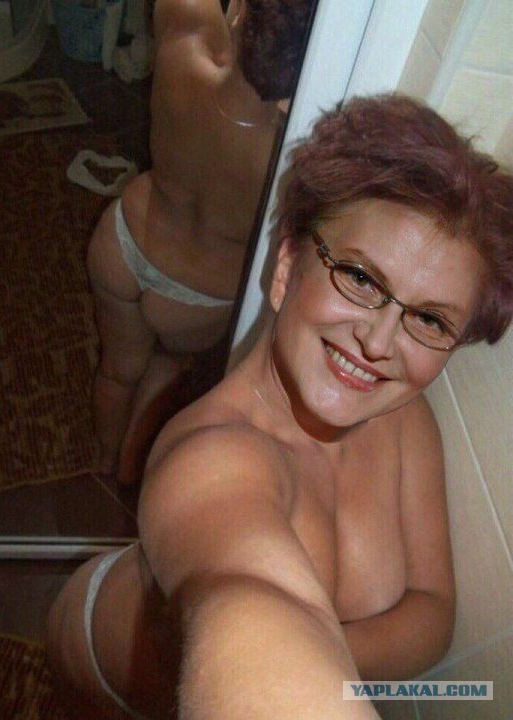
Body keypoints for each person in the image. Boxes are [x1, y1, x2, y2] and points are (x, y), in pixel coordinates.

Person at [47, 94, 513, 719]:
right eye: (360, 278)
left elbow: (433, 610)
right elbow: (250, 603)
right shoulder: (212, 460)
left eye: (429, 319)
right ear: (288, 267)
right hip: (103, 665)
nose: (379, 343)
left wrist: (320, 655)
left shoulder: (405, 421)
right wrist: (302, 659)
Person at [88, 0, 314, 485]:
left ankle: (105, 459)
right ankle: (128, 471)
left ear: (241, 15)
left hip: (123, 241)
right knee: (164, 364)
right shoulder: (290, 156)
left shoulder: (183, 41)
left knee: (117, 369)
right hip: (195, 297)